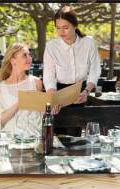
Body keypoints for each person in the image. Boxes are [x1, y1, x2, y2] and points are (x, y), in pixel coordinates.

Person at [43, 6, 101, 136]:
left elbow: (95, 70)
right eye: (58, 28)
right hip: (58, 93)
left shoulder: (88, 43)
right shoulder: (51, 46)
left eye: (65, 27)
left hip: (80, 93)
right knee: (57, 137)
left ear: (75, 25)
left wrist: (86, 91)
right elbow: (49, 76)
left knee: (75, 138)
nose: (61, 32)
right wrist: (53, 98)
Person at [0, 43, 42, 136]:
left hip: (33, 138)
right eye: (24, 55)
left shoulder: (36, 83)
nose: (29, 58)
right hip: (9, 140)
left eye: (29, 55)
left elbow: (40, 116)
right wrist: (19, 103)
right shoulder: (0, 87)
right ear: (12, 60)